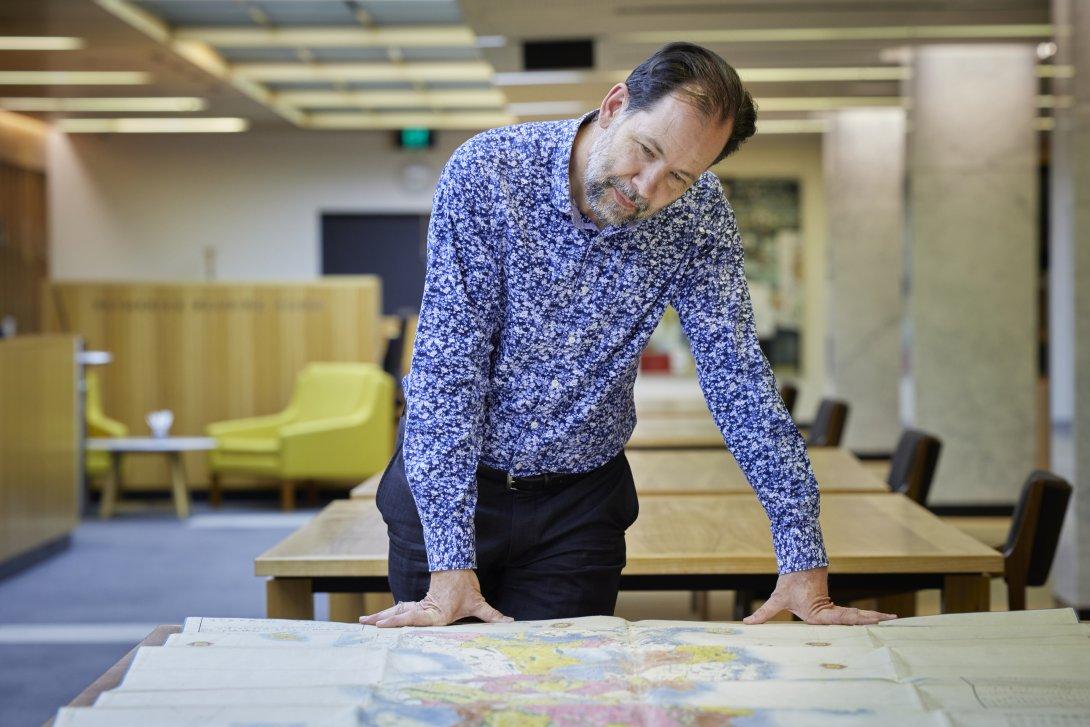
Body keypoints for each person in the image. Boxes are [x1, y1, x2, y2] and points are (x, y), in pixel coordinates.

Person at [362, 42, 895, 629]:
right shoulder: (490, 171)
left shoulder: (697, 216)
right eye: (646, 152)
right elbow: (448, 370)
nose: (647, 188)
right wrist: (449, 563)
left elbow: (738, 378)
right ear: (615, 105)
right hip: (449, 489)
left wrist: (802, 559)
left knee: (570, 700)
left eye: (680, 177)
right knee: (441, 698)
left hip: (579, 507)